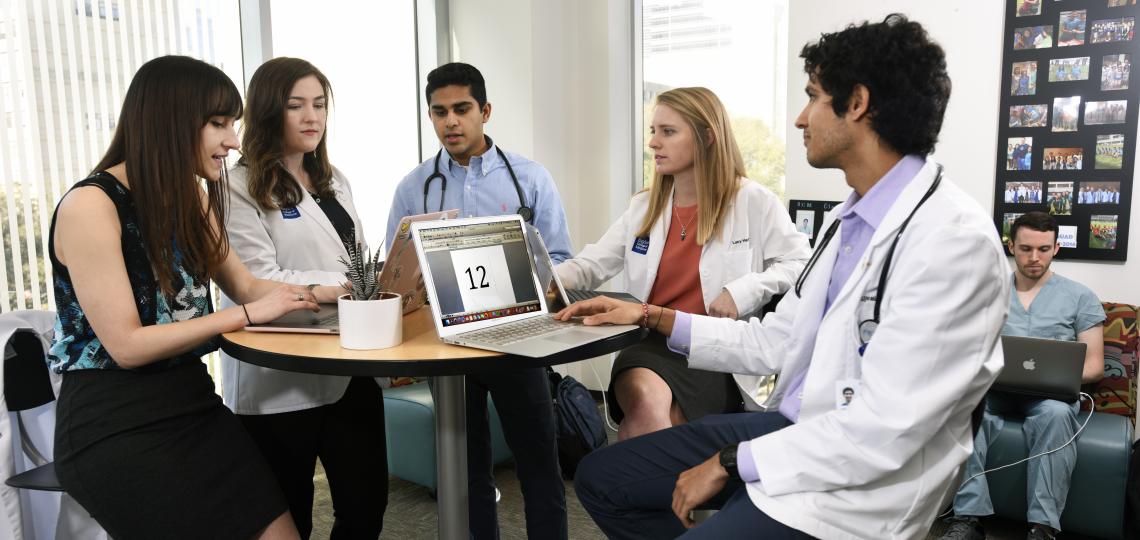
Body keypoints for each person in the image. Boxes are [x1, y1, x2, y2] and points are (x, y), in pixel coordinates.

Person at [560, 15, 1009, 538]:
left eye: (813, 96)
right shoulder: (852, 223)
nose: (800, 118)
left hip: (855, 488)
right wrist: (653, 315)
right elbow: (776, 339)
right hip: (799, 428)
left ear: (857, 103)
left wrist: (731, 462)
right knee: (601, 477)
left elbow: (884, 430)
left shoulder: (953, 241)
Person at [47, 55, 343, 539]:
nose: (231, 140)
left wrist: (330, 292)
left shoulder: (192, 198)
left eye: (232, 124)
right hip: (114, 423)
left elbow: (247, 285)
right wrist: (244, 317)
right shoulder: (91, 205)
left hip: (191, 403)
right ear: (171, 121)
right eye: (217, 123)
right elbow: (126, 345)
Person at [554, 87, 809, 441]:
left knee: (667, 425)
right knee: (646, 401)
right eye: (652, 132)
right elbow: (591, 265)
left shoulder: (753, 201)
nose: (654, 143)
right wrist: (543, 281)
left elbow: (801, 264)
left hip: (716, 349)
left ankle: (639, 489)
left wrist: (744, 291)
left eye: (668, 132)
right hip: (649, 344)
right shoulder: (645, 206)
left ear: (707, 137)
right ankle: (647, 489)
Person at [385, 62, 570, 539]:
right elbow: (397, 272)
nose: (451, 121)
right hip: (449, 351)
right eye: (439, 111)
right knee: (467, 475)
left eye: (462, 109)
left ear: (484, 111)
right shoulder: (414, 188)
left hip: (518, 344)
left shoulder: (529, 179)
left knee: (539, 466)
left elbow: (562, 260)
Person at [219, 57, 387, 539]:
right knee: (290, 516)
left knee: (366, 506)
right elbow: (257, 279)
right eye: (296, 106)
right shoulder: (236, 187)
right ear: (269, 112)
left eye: (319, 104)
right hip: (280, 373)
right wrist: (340, 289)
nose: (312, 117)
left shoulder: (335, 180)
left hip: (348, 363)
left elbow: (351, 257)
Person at [940, 212, 1104, 540]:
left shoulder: (1080, 296)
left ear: (1056, 247)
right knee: (965, 411)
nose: (1034, 257)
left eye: (1043, 249)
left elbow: (1095, 365)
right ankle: (968, 520)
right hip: (995, 388)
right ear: (1010, 246)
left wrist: (1057, 376)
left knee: (1057, 416)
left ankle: (1042, 527)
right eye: (1026, 248)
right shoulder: (988, 290)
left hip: (1050, 397)